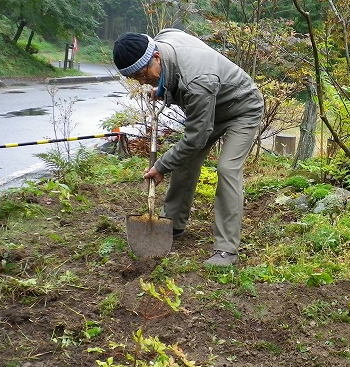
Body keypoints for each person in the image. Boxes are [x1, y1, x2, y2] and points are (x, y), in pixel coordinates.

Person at [113, 28, 264, 267]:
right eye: (137, 79)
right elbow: (174, 68)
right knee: (184, 161)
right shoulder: (162, 41)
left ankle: (226, 249)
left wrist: (161, 166)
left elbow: (196, 137)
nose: (143, 82)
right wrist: (161, 87)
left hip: (242, 108)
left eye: (143, 74)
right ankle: (172, 225)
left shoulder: (197, 82)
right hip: (211, 105)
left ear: (155, 57)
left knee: (227, 169)